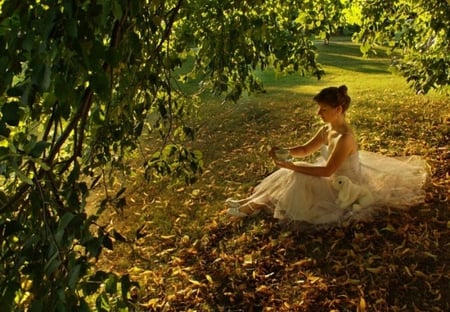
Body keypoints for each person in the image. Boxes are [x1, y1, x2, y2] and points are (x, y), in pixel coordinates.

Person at [226, 85, 430, 226]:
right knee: (291, 173)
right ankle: (248, 203)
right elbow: (306, 149)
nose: (318, 114)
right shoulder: (327, 129)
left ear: (338, 109)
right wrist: (285, 152)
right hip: (329, 176)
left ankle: (250, 207)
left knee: (296, 174)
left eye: (323, 109)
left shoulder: (345, 137)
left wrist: (291, 165)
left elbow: (327, 170)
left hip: (343, 185)